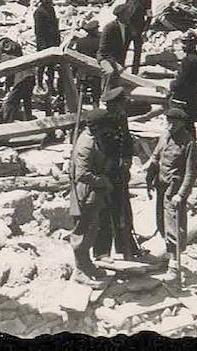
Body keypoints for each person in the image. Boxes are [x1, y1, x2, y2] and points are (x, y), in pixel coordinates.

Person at [93, 86, 148, 262]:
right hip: (106, 172)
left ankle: (127, 247)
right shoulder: (103, 121)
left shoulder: (121, 116)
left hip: (120, 171)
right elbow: (104, 150)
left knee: (123, 210)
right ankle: (101, 252)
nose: (124, 106)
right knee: (105, 211)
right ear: (112, 105)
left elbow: (126, 140)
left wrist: (127, 159)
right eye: (120, 103)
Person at [146, 105, 197, 285]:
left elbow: (191, 173)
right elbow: (156, 156)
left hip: (174, 192)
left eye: (174, 123)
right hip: (161, 187)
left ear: (182, 124)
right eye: (168, 122)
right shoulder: (165, 136)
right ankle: (169, 257)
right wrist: (149, 172)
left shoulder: (188, 142)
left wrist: (181, 195)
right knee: (161, 224)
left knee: (174, 228)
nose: (170, 126)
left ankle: (174, 268)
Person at [70, 108, 117, 284]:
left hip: (92, 192)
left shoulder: (91, 138)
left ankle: (86, 264)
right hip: (86, 192)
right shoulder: (87, 144)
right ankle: (80, 271)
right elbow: (81, 174)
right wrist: (103, 181)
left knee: (91, 229)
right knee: (83, 231)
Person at [168, 30, 197, 120]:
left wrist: (172, 85)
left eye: (185, 43)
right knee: (190, 126)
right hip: (194, 97)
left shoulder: (187, 60)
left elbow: (181, 82)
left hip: (183, 98)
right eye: (183, 42)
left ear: (193, 44)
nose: (183, 46)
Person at [0, 38, 36, 122]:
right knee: (27, 101)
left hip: (22, 79)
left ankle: (7, 123)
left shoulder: (6, 58)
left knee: (9, 102)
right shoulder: (19, 58)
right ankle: (29, 121)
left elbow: (9, 73)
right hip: (31, 77)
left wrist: (7, 86)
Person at [32, 0, 61, 93]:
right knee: (41, 64)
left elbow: (55, 26)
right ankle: (39, 83)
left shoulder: (51, 10)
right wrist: (42, 46)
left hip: (52, 41)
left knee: (51, 66)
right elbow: (39, 31)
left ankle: (50, 85)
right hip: (44, 43)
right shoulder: (39, 12)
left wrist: (58, 42)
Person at [124, 0, 151, 74]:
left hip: (139, 28)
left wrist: (146, 29)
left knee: (137, 51)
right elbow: (125, 10)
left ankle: (134, 72)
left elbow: (149, 15)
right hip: (128, 27)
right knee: (123, 49)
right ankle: (121, 69)